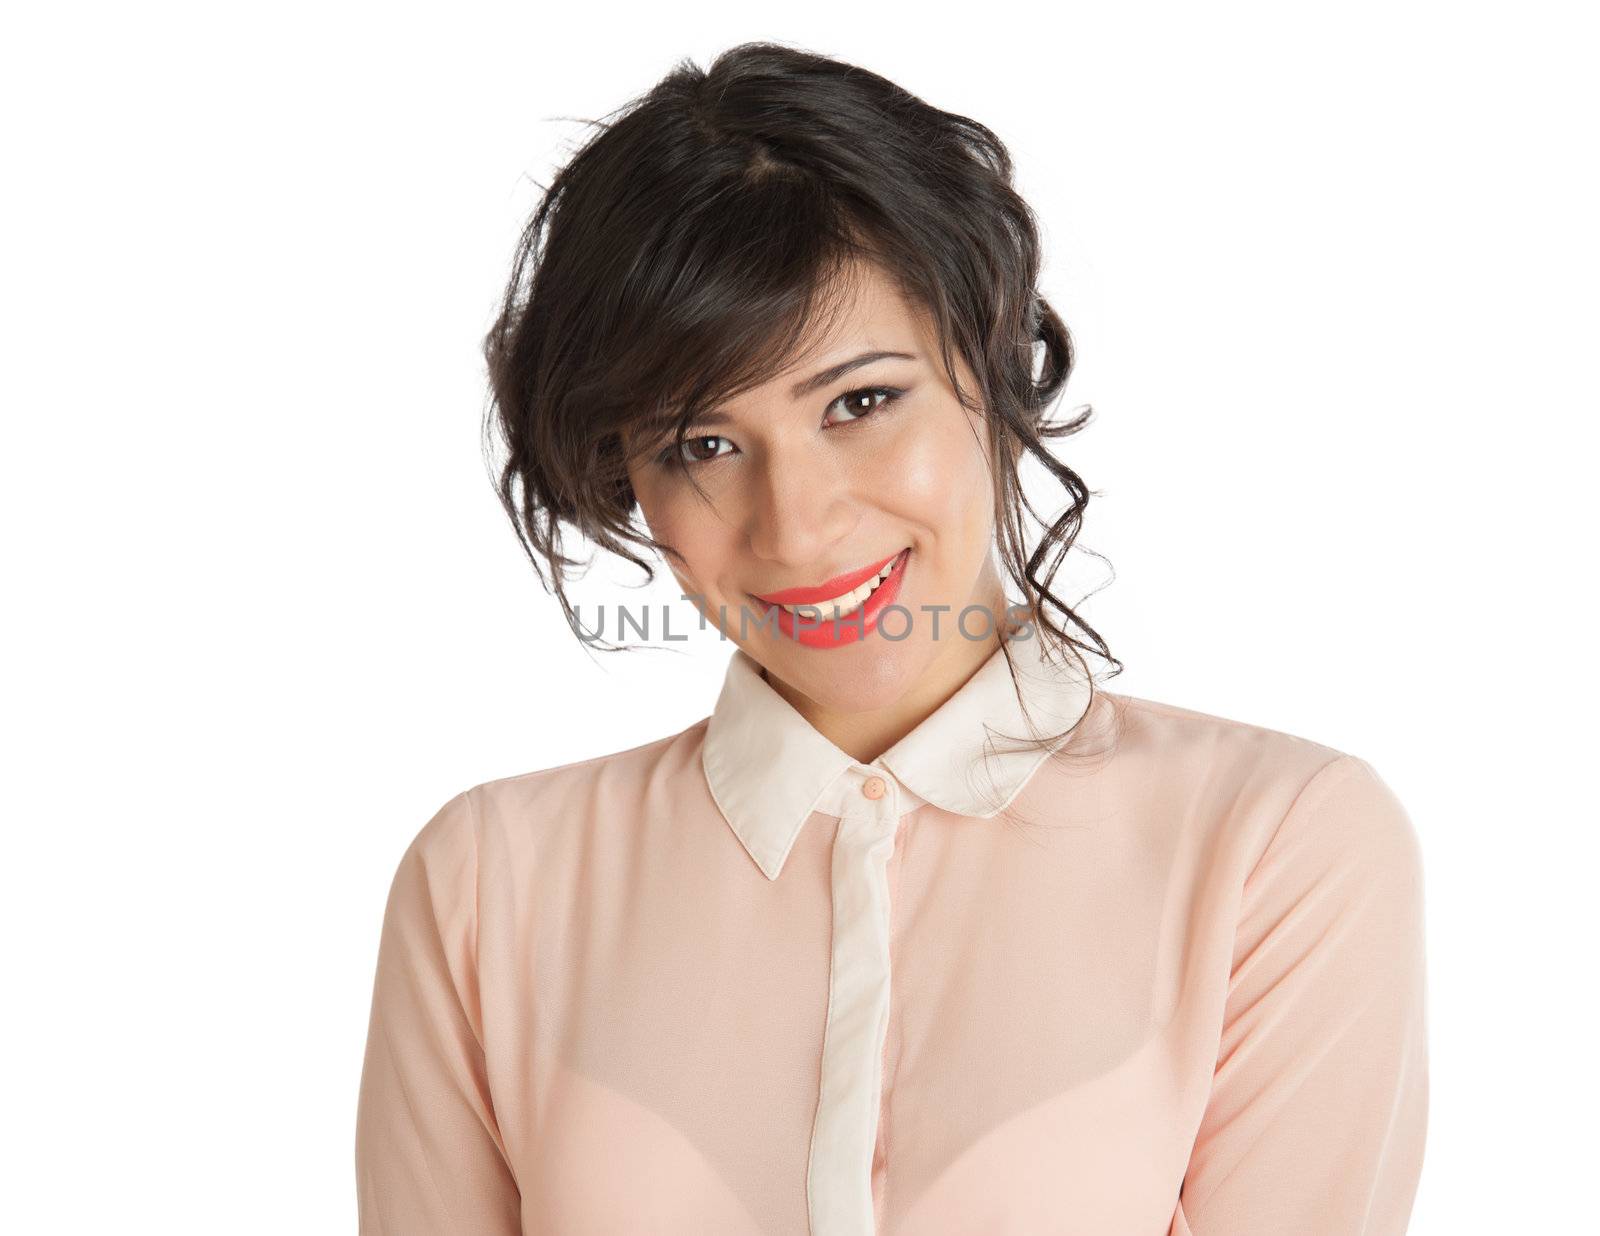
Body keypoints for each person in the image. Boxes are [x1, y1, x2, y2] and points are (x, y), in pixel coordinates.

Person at [353, 41, 1428, 1235]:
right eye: (701, 445)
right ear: (632, 481)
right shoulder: (488, 885)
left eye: (860, 402)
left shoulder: (1275, 849)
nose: (797, 526)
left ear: (991, 359)